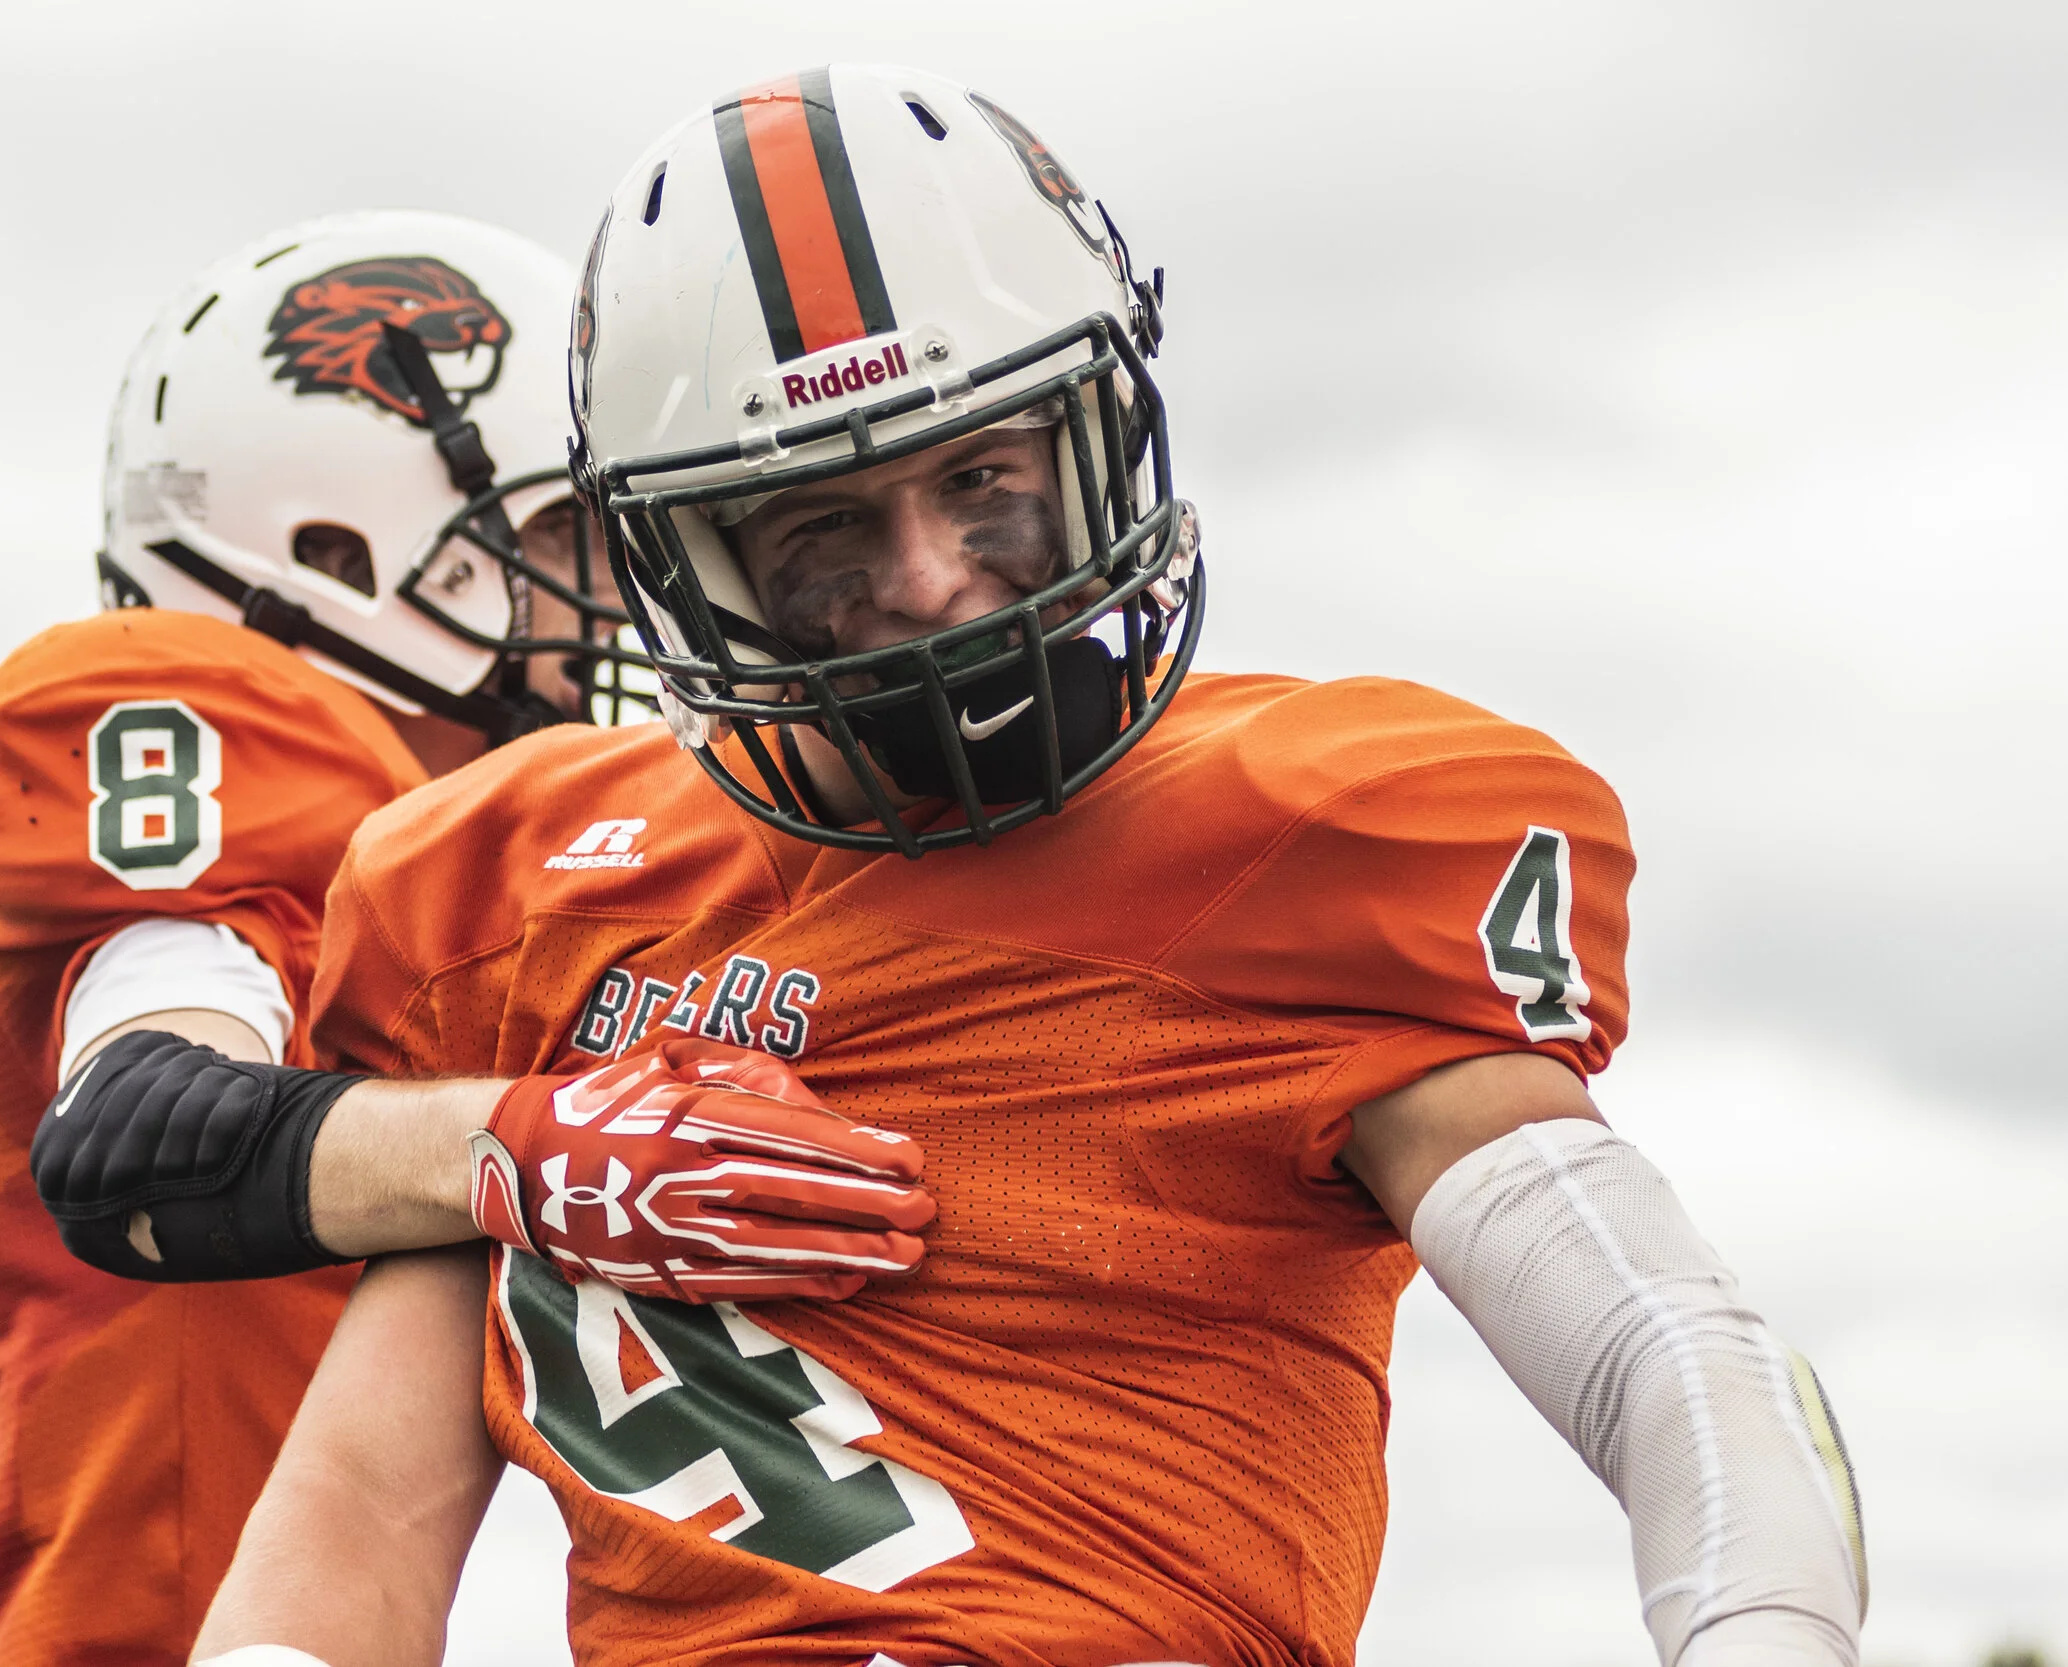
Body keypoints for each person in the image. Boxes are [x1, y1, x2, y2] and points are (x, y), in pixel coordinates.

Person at [130, 67, 1867, 1667]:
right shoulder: (505, 895)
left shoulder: (1303, 830)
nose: (936, 578)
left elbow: (1672, 1354)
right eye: (820, 527)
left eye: (987, 480)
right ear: (693, 564)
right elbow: (355, 1526)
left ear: (1096, 445)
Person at [0, 208, 648, 1665]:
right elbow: (155, 1110)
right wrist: (535, 1145)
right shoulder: (183, 696)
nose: (614, 595)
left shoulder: (455, 856)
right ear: (335, 540)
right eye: (562, 536)